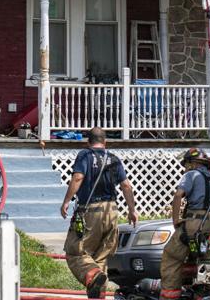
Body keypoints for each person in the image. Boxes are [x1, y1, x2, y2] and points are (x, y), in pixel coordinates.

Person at [60, 127, 138, 298]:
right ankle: (98, 295)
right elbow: (126, 185)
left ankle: (92, 276)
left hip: (91, 212)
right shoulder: (114, 159)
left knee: (76, 253)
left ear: (88, 142)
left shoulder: (85, 155)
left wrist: (66, 201)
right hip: (111, 211)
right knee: (100, 259)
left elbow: (78, 177)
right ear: (105, 142)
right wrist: (132, 210)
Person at [159, 148, 210, 300]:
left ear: (193, 163)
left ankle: (170, 296)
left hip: (193, 224)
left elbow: (178, 195)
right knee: (203, 260)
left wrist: (175, 221)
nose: (185, 168)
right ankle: (205, 293)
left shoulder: (191, 175)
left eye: (186, 164)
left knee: (171, 257)